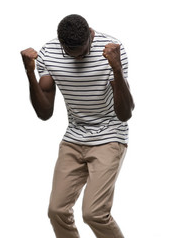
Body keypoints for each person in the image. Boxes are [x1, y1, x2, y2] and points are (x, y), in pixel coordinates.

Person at [20, 14, 134, 238]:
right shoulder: (50, 53)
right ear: (61, 44)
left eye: (82, 52)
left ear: (90, 35)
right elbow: (45, 113)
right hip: (73, 138)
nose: (79, 58)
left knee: (94, 213)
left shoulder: (111, 49)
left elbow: (125, 114)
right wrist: (29, 74)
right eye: (72, 55)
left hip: (109, 135)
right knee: (56, 211)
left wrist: (117, 70)